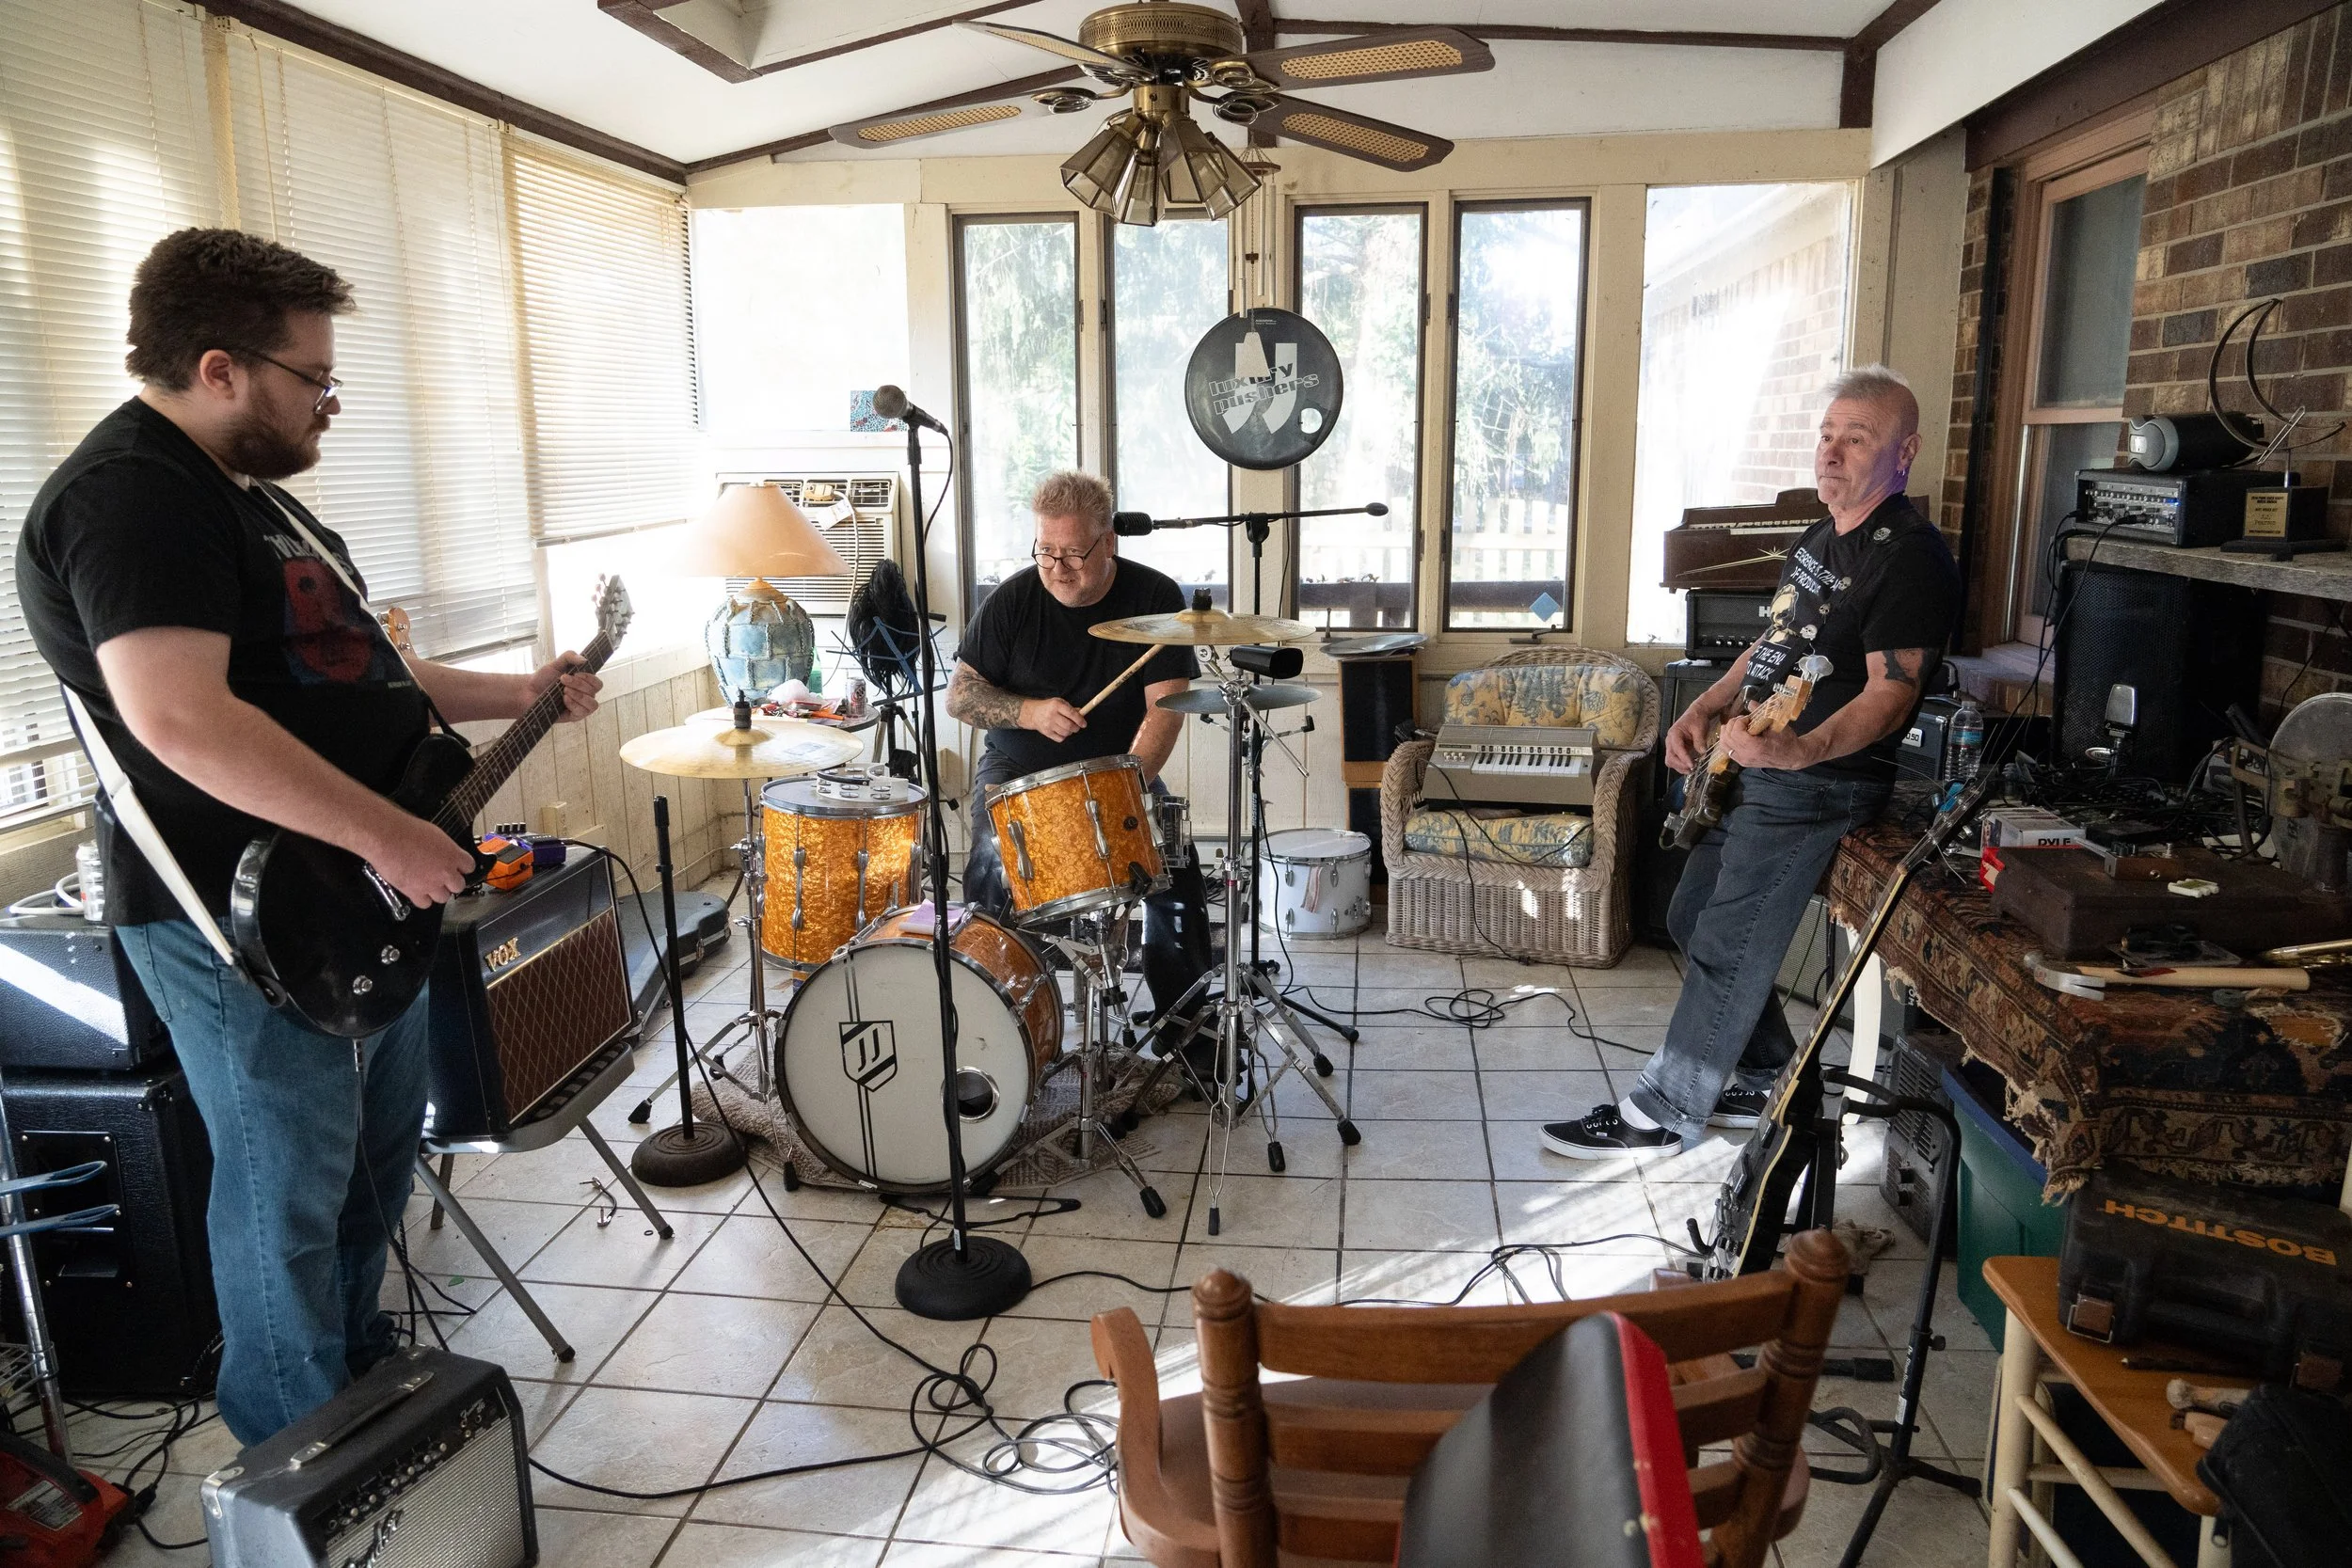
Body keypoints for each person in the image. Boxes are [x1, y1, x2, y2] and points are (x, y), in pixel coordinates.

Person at [15, 228, 603, 1444]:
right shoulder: (131, 493)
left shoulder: (254, 502)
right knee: (286, 1183)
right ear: (221, 366)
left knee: (375, 1152)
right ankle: (302, 1453)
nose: (329, 404)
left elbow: (365, 672)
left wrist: (521, 690)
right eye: (313, 379)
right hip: (240, 915)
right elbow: (180, 719)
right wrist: (389, 835)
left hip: (345, 896)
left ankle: (354, 1375)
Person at [1543, 364, 1959, 1159]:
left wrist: (1799, 748)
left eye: (1856, 439)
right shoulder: (1817, 539)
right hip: (1755, 761)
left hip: (1820, 782)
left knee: (1726, 939)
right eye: (1827, 436)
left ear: (1903, 453)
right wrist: (1704, 706)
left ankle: (1664, 1110)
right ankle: (1762, 1074)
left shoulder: (1910, 558)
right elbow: (1773, 646)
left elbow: (1890, 695)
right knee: (1690, 914)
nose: (1831, 454)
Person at [946, 470, 1212, 1030]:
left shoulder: (1154, 597)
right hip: (1019, 767)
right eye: (1046, 552)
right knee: (991, 876)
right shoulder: (1014, 601)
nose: (1057, 569)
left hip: (1120, 768)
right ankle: (998, 1028)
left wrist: (1130, 786)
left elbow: (1167, 707)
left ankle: (1188, 1030)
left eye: (1072, 554)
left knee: (1177, 879)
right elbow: (961, 697)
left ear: (1108, 540)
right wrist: (1029, 711)